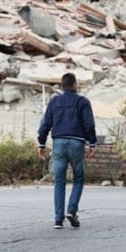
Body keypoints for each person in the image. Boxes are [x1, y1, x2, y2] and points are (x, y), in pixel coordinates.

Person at [37, 72, 97, 229]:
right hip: (77, 143)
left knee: (59, 181)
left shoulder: (54, 102)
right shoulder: (83, 101)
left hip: (58, 143)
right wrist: (92, 143)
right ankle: (72, 210)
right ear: (75, 85)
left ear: (62, 86)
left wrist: (41, 144)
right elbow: (89, 124)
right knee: (78, 178)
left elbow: (45, 124)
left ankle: (58, 219)